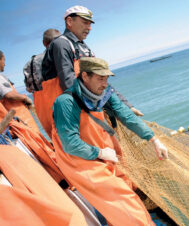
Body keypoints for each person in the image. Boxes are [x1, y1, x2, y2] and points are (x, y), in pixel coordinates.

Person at [51, 57, 168, 225]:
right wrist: (99, 152)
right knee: (124, 201)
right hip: (80, 161)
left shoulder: (103, 93)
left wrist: (153, 139)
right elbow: (69, 143)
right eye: (100, 78)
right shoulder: (66, 102)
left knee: (127, 190)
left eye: (106, 78)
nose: (105, 83)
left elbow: (125, 115)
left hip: (104, 151)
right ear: (85, 76)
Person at [37, 5, 143, 138]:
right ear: (70, 21)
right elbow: (68, 83)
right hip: (74, 115)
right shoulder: (61, 44)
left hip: (88, 111)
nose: (89, 28)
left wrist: (124, 104)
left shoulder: (84, 48)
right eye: (85, 22)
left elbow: (100, 80)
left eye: (90, 24)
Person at [0, 50, 40, 133]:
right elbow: (9, 95)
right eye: (4, 60)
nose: (5, 64)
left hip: (17, 120)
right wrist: (25, 98)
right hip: (19, 119)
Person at [23, 28, 61, 94]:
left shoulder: (29, 64)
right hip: (65, 98)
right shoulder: (64, 55)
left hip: (42, 102)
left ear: (44, 43)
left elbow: (29, 89)